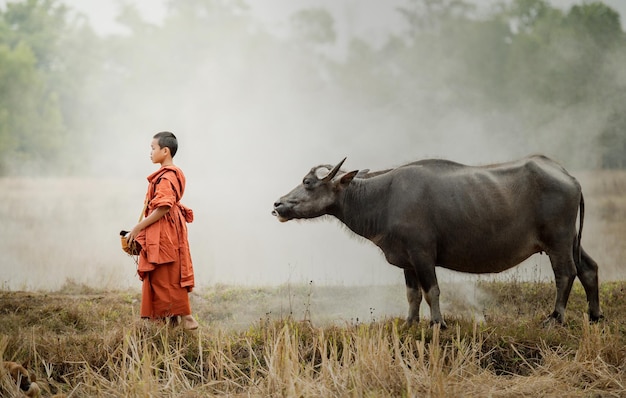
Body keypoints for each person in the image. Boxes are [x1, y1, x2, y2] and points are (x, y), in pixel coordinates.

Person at [127, 131, 199, 330]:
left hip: (165, 231)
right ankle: (172, 325)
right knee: (163, 275)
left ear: (165, 151)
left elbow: (164, 207)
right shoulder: (166, 174)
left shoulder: (167, 177)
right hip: (164, 230)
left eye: (153, 148)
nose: (150, 152)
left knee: (167, 275)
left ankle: (187, 320)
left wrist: (138, 227)